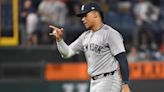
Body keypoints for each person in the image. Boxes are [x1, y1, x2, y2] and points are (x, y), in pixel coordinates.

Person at [49, 2, 131, 92]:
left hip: (109, 79)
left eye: (85, 15)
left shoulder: (110, 34)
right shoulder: (85, 36)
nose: (83, 19)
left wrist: (125, 84)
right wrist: (59, 40)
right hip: (94, 82)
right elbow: (67, 53)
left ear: (95, 14)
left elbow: (122, 59)